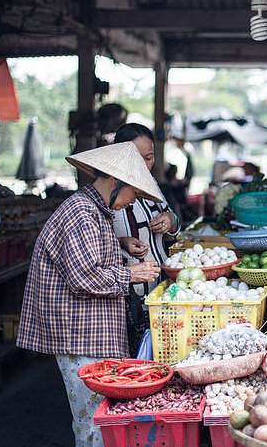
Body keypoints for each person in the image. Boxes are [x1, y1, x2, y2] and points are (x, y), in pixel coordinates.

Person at [17, 141, 163, 447]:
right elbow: (84, 278)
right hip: (79, 334)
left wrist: (120, 242)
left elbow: (88, 254)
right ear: (115, 181)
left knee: (102, 415)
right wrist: (132, 273)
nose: (132, 202)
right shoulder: (82, 214)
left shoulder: (94, 210)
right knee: (93, 420)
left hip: (91, 331)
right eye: (133, 193)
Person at [111, 123, 181, 357]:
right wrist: (122, 241)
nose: (144, 165)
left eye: (149, 158)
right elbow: (97, 239)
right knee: (134, 355)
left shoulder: (153, 187)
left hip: (159, 286)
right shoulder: (109, 191)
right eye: (136, 158)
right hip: (127, 294)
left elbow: (175, 227)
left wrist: (169, 220)